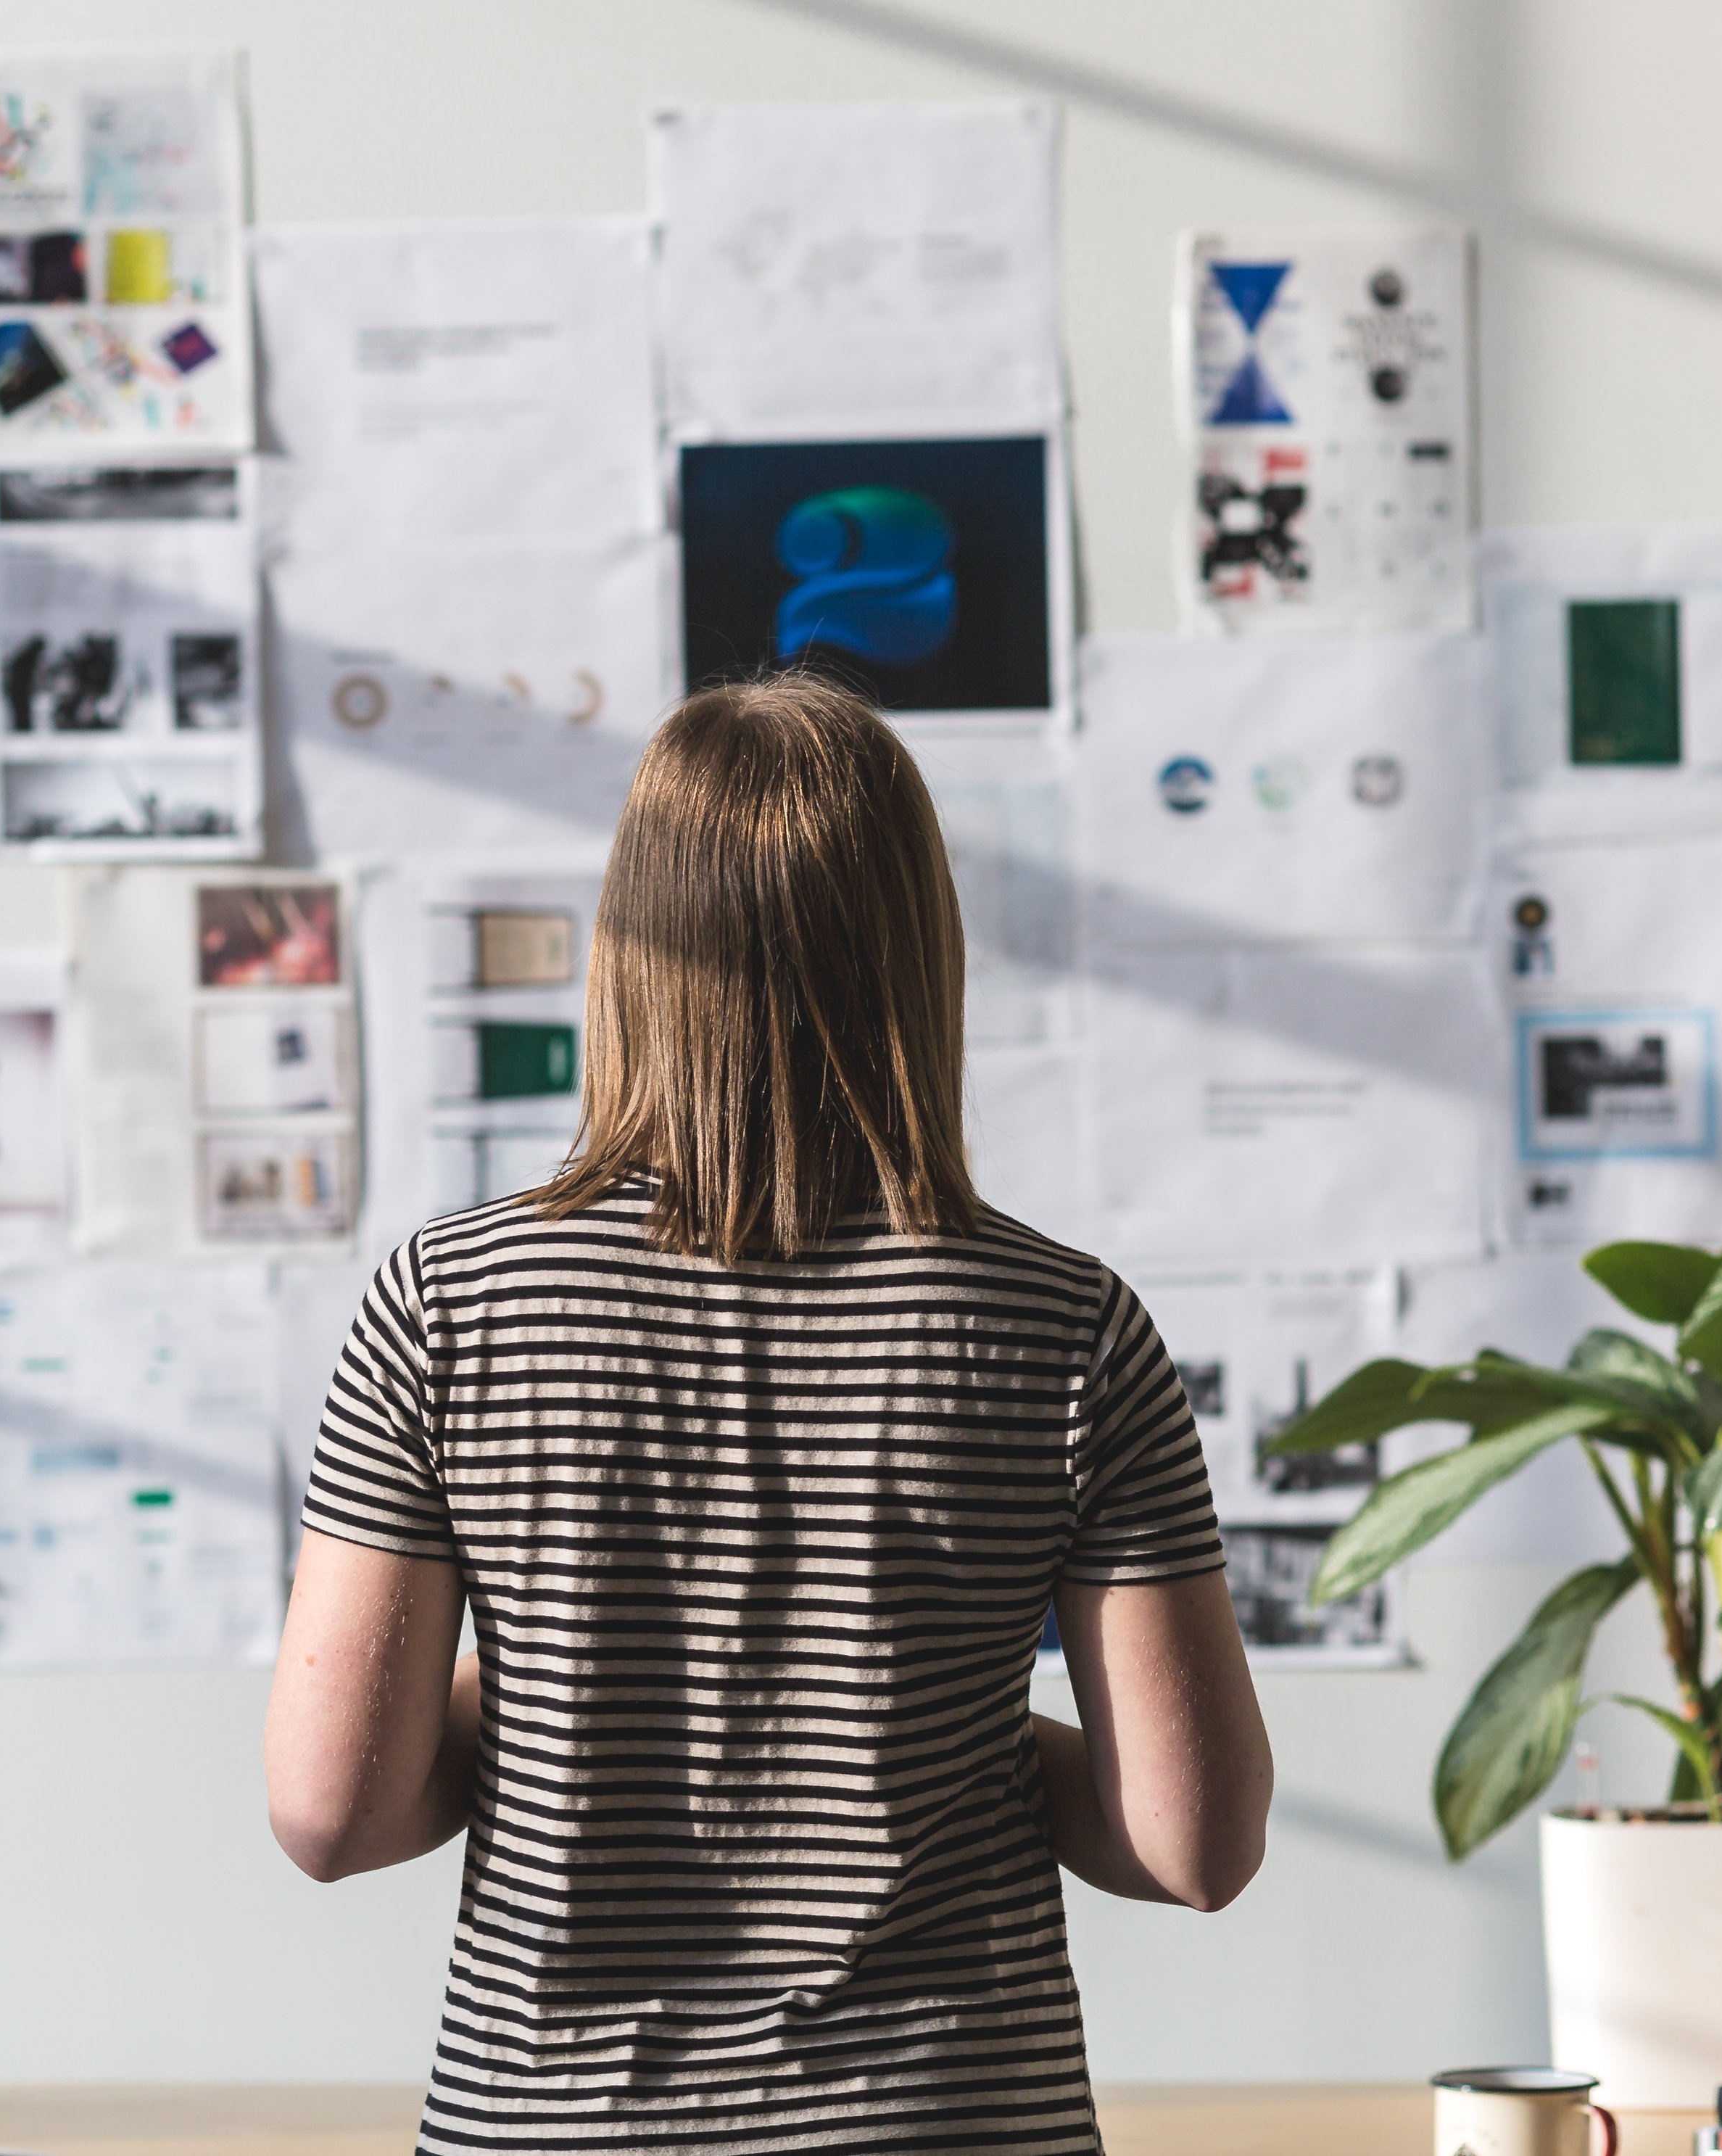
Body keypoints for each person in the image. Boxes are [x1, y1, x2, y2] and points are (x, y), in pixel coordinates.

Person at [265, 673, 1274, 2155]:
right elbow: (1189, 1842)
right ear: (920, 947)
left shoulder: (448, 1303)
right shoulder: (1067, 1323)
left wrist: (564, 1707)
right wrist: (936, 1738)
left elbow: (334, 1812)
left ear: (628, 949)